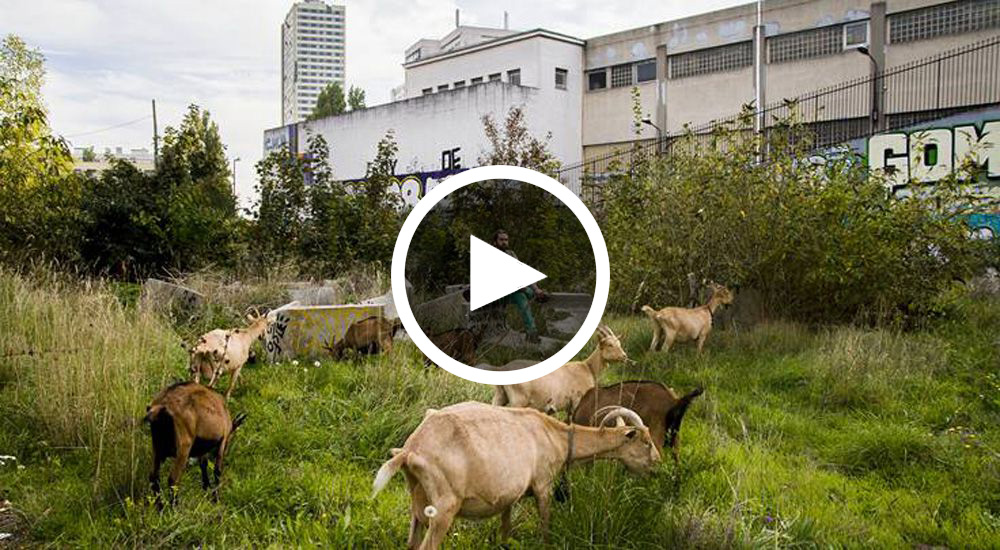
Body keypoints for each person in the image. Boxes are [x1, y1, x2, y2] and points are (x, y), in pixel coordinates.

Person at [493, 229, 547, 343]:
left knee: (527, 293)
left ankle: (532, 331)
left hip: (513, 291)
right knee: (522, 295)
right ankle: (531, 333)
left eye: (506, 240)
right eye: (501, 240)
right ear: (495, 242)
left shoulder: (511, 254)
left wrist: (536, 289)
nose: (504, 242)